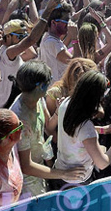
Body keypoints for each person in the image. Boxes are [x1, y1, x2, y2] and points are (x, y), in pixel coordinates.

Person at [8, 61, 84, 197]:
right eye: (49, 81)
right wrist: (64, 174)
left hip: (42, 170)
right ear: (40, 86)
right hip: (28, 184)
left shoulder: (37, 99)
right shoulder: (20, 121)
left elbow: (48, 126)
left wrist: (58, 112)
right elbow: (27, 166)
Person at [53, 70, 111, 186]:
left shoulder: (66, 103)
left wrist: (100, 129)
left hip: (60, 171)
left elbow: (73, 130)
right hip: (77, 182)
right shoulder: (86, 127)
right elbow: (102, 163)